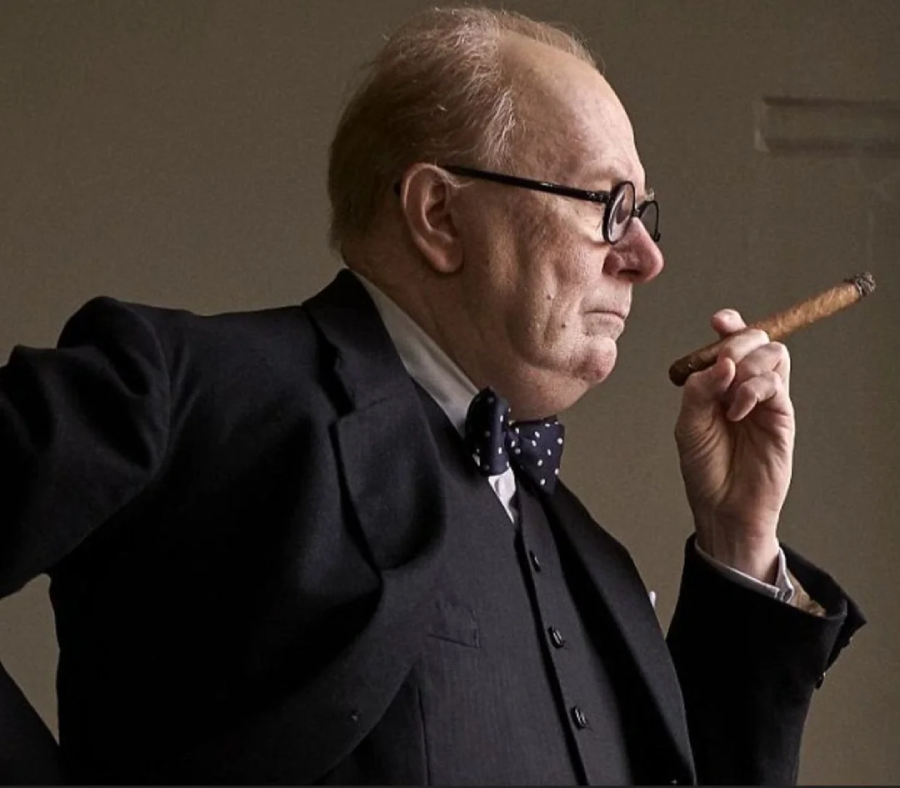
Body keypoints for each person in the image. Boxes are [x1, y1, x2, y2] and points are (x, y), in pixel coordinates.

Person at [0, 6, 864, 785]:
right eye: (610, 205)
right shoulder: (182, 385)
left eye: (646, 216)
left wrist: (738, 546)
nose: (645, 256)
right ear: (439, 216)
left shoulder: (594, 555)